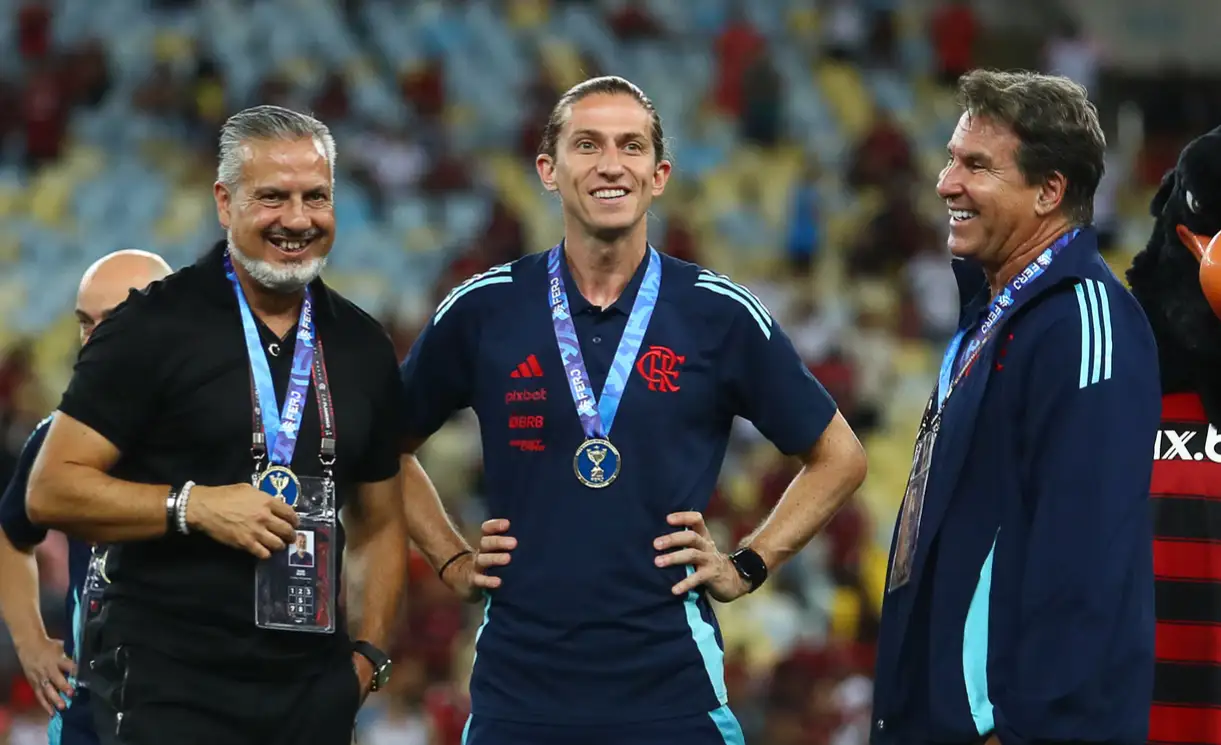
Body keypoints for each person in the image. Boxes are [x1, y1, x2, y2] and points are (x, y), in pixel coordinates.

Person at [397, 75, 869, 745]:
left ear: (659, 174)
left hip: (670, 690)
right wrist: (449, 557)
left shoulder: (717, 313)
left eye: (631, 146)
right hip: (518, 691)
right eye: (586, 145)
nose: (610, 164)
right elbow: (380, 449)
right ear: (548, 170)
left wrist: (749, 561)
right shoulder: (483, 308)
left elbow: (839, 457)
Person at [26, 105, 408, 745]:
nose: (297, 219)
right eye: (273, 197)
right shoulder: (149, 327)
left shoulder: (364, 346)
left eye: (316, 197)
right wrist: (193, 506)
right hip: (170, 693)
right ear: (224, 202)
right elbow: (51, 488)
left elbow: (381, 523)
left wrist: (364, 663)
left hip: (311, 698)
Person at [871, 69, 1160, 745]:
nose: (946, 182)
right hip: (934, 720)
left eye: (975, 165)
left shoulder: (1088, 327)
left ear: (1048, 191)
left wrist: (1025, 727)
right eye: (949, 158)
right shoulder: (991, 318)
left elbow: (1086, 559)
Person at [0, 250, 171, 745]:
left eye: (112, 323)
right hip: (88, 722)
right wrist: (31, 642)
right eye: (84, 323)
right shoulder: (57, 438)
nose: (92, 340)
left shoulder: (220, 432)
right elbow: (11, 535)